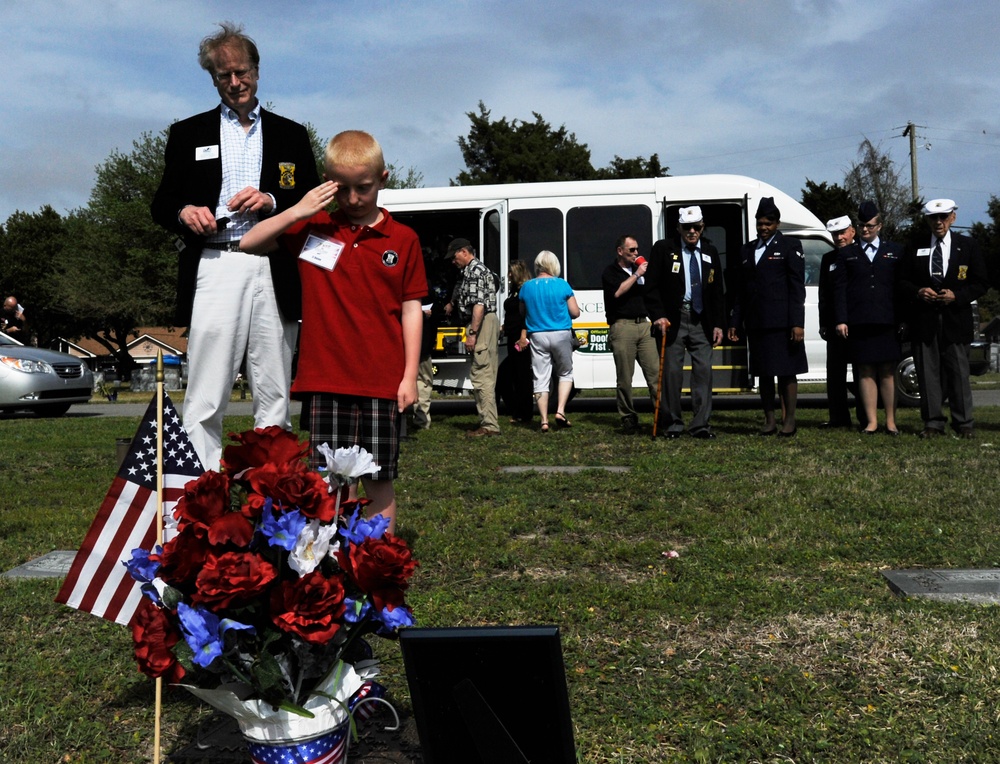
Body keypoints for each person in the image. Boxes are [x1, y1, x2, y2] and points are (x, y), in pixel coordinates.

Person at [150, 22, 319, 470]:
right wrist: (185, 210)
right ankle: (196, 493)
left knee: (274, 389)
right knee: (206, 391)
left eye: (241, 72)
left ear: (257, 72)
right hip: (215, 263)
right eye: (224, 75)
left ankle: (275, 493)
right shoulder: (187, 134)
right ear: (213, 78)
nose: (235, 83)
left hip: (273, 265)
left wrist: (273, 200)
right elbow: (162, 202)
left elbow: (313, 199)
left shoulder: (291, 134)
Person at [240, 130, 427, 532]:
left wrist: (409, 376)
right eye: (342, 189)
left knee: (377, 480)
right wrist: (297, 210)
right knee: (325, 481)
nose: (353, 199)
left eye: (363, 188)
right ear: (327, 183)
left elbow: (412, 308)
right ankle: (326, 566)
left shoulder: (404, 239)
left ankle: (377, 561)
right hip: (324, 379)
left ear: (383, 178)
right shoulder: (314, 227)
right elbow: (249, 242)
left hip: (383, 383)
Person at [897, 199, 988, 439]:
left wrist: (957, 296)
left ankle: (964, 423)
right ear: (927, 220)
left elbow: (980, 283)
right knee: (927, 374)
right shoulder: (914, 246)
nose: (938, 222)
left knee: (958, 373)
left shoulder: (967, 246)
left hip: (955, 320)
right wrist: (918, 291)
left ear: (953, 218)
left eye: (943, 217)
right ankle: (933, 423)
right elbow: (901, 281)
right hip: (923, 320)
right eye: (933, 218)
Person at [728, 197, 807, 436]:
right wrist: (735, 322)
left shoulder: (790, 246)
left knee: (786, 372)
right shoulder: (747, 250)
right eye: (760, 223)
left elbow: (796, 288)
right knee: (763, 374)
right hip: (757, 322)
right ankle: (770, 420)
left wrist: (797, 323)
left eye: (768, 223)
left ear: (777, 224)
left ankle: (789, 421)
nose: (763, 227)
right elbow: (741, 291)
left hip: (783, 323)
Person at [644, 208, 725, 439]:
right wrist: (658, 315)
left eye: (696, 227)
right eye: (687, 227)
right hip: (673, 320)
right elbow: (651, 287)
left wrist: (719, 323)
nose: (692, 231)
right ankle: (673, 424)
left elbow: (717, 291)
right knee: (671, 374)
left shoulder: (710, 250)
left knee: (703, 373)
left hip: (702, 321)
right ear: (678, 228)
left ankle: (700, 425)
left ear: (702, 227)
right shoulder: (663, 248)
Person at [833, 202, 904, 435]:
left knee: (887, 371)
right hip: (859, 321)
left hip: (887, 320)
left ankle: (891, 421)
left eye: (870, 226)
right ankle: (871, 421)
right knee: (864, 371)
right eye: (862, 226)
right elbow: (840, 290)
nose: (865, 230)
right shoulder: (847, 254)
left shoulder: (894, 251)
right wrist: (841, 319)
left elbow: (900, 288)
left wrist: (902, 320)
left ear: (879, 226)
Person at [601, 235, 659, 435]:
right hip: (622, 325)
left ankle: (661, 415)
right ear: (620, 251)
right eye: (631, 250)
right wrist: (636, 275)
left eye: (637, 250)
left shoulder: (640, 270)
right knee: (625, 377)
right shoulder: (611, 272)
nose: (636, 253)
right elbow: (617, 293)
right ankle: (628, 417)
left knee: (655, 374)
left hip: (644, 325)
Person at [518, 250, 580, 432]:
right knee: (565, 372)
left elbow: (523, 312)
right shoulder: (562, 285)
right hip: (561, 333)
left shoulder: (526, 287)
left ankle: (543, 420)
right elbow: (575, 312)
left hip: (537, 334)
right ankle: (560, 411)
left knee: (541, 376)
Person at [445, 239, 500, 437]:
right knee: (484, 373)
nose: (453, 261)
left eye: (454, 256)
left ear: (464, 252)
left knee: (481, 374)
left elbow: (478, 305)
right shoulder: (473, 271)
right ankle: (489, 422)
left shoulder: (475, 271)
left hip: (481, 323)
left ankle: (489, 425)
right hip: (486, 322)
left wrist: (472, 334)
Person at [817, 216, 862, 429]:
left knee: (862, 373)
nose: (839, 237)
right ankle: (838, 418)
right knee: (835, 374)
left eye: (843, 232)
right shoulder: (829, 259)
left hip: (858, 324)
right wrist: (824, 323)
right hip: (835, 325)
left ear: (853, 231)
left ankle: (866, 417)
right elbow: (824, 294)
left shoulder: (862, 254)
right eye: (835, 234)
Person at [502, 259, 535, 423]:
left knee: (522, 375)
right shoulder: (514, 290)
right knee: (512, 374)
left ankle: (525, 412)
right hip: (511, 334)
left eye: (510, 272)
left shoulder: (525, 289)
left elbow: (527, 314)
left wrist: (523, 336)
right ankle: (517, 410)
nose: (508, 275)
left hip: (520, 337)